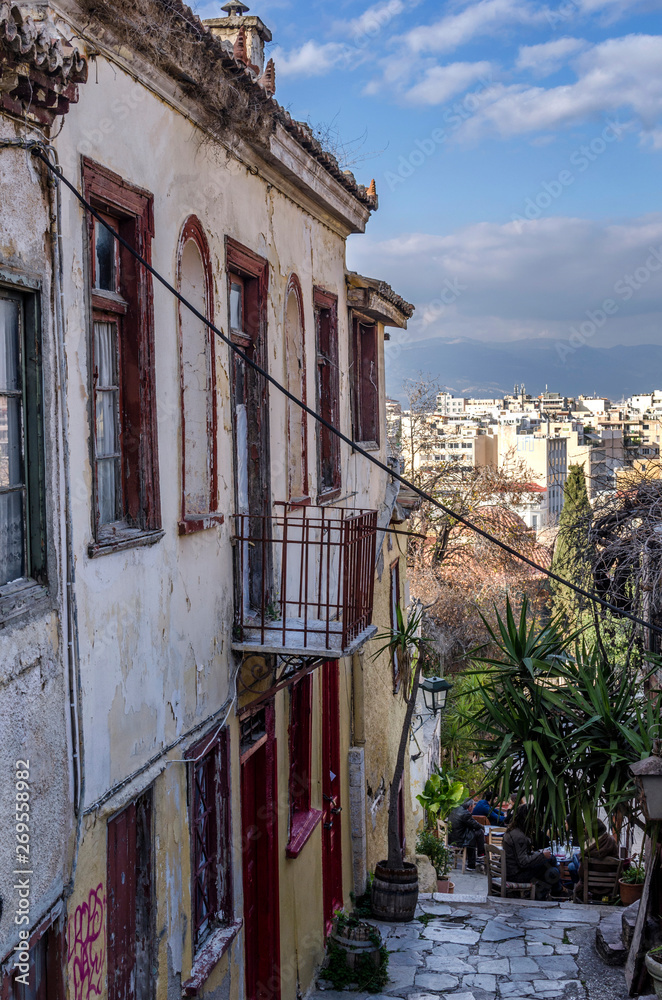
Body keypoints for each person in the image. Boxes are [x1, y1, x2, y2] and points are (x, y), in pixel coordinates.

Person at [502, 804, 565, 899]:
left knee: (551, 861)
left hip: (511, 871)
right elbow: (523, 862)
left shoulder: (513, 831)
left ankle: (555, 890)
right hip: (516, 875)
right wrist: (541, 855)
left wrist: (540, 854)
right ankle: (553, 891)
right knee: (552, 870)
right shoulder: (519, 836)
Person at [569, 819, 619, 884]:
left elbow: (582, 873)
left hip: (590, 880)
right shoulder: (611, 841)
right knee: (572, 865)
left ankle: (575, 886)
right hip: (610, 877)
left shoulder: (588, 845)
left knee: (573, 860)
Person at [448, 797, 486, 871]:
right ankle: (480, 854)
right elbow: (474, 824)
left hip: (452, 838)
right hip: (459, 839)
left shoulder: (455, 809)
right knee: (478, 833)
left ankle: (474, 861)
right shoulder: (465, 814)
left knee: (472, 835)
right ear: (469, 806)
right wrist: (483, 827)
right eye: (472, 807)